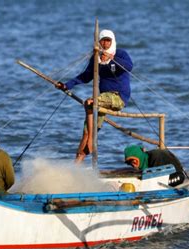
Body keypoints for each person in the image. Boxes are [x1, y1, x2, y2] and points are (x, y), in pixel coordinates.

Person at [56, 29, 133, 163]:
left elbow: (130, 66)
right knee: (85, 134)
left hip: (118, 98)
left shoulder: (120, 54)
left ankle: (92, 139)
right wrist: (66, 85)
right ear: (99, 42)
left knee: (90, 102)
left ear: (112, 41)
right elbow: (85, 76)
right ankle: (76, 166)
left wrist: (111, 58)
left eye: (108, 40)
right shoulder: (95, 58)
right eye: (103, 40)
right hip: (102, 100)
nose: (105, 43)